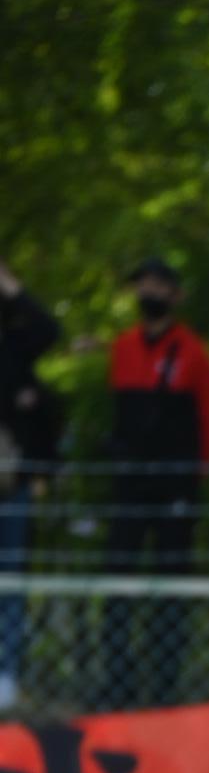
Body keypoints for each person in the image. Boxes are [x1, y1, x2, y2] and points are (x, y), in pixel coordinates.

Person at [105, 257, 209, 707]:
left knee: (171, 582)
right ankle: (117, 681)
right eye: (142, 284)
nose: (148, 293)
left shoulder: (193, 352)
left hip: (175, 484)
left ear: (175, 295)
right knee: (118, 578)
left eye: (157, 285)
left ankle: (165, 685)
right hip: (129, 484)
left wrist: (195, 478)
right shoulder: (122, 348)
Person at [0, 260, 61, 709]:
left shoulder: (12, 347)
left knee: (11, 580)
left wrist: (11, 285)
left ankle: (6, 674)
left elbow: (48, 327)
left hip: (9, 483)